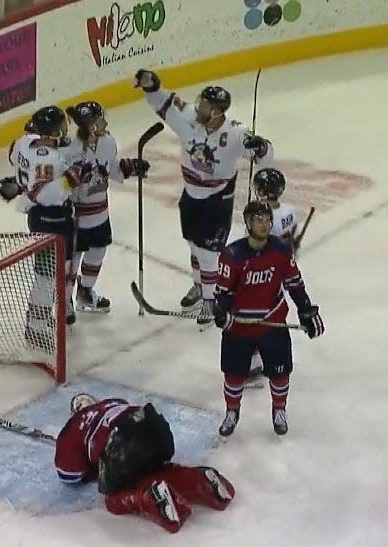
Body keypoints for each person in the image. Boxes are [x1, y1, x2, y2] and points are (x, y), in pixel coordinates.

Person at [132, 69, 274, 324]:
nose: (199, 107)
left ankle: (211, 300)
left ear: (218, 111)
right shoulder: (190, 119)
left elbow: (266, 156)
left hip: (217, 199)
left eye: (206, 105)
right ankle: (200, 286)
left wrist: (260, 147)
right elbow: (164, 103)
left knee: (209, 252)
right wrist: (152, 86)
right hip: (191, 195)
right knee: (194, 245)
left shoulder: (236, 133)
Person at [213, 201, 325, 437]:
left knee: (280, 371)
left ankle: (279, 410)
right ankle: (232, 412)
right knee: (234, 373)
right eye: (258, 219)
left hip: (272, 322)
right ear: (247, 223)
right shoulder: (232, 255)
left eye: (266, 219)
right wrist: (222, 312)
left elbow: (295, 284)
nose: (264, 224)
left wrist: (306, 310)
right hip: (240, 327)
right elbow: (223, 294)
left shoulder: (281, 251)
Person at [54, 394, 235, 533]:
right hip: (152, 423)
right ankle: (198, 480)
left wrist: (93, 470)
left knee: (113, 497)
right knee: (155, 469)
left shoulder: (73, 427)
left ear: (74, 413)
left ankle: (148, 496)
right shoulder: (113, 402)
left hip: (119, 440)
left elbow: (70, 475)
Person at [0, 105, 91, 341]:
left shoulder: (23, 143)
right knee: (47, 276)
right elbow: (45, 195)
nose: (63, 130)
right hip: (51, 218)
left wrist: (21, 184)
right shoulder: (48, 158)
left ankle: (62, 305)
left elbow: (16, 158)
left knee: (63, 268)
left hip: (42, 216)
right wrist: (72, 179)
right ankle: (35, 327)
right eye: (59, 127)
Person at [63, 101, 150, 313]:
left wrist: (130, 167)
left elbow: (111, 167)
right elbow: (58, 186)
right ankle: (65, 302)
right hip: (75, 217)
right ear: (91, 125)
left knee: (98, 252)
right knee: (72, 261)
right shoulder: (69, 149)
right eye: (100, 119)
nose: (105, 122)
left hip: (100, 212)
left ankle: (85, 292)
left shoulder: (108, 141)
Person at [247, 167, 299, 382]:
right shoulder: (289, 211)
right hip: (282, 273)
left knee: (250, 320)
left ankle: (252, 366)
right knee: (270, 317)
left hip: (263, 276)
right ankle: (269, 361)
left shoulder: (263, 219)